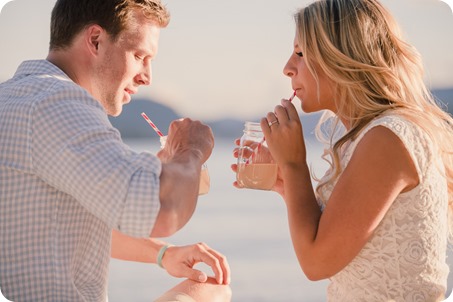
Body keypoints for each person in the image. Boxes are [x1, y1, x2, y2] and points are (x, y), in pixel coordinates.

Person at [0, 0, 231, 301]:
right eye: (139, 56)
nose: (147, 76)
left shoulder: (15, 96)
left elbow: (83, 222)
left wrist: (164, 254)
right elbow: (163, 212)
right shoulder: (60, 105)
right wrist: (191, 149)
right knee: (210, 292)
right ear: (95, 40)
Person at [233, 0, 453, 300]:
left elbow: (316, 263)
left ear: (341, 57)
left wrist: (297, 165)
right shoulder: (368, 136)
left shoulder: (388, 138)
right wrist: (288, 184)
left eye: (300, 53)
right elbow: (332, 240)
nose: (287, 68)